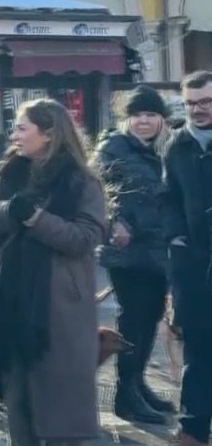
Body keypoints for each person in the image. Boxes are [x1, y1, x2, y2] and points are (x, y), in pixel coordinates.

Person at [0, 99, 107, 446]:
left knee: (64, 419)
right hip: (12, 305)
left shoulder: (81, 181)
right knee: (20, 413)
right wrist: (8, 210)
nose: (14, 134)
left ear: (48, 135)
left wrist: (36, 218)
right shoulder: (7, 173)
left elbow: (85, 237)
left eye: (22, 127)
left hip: (60, 310)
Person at [95, 86, 175, 425]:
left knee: (151, 319)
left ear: (161, 120)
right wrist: (115, 222)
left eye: (150, 115)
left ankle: (138, 384)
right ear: (128, 119)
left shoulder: (166, 149)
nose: (144, 121)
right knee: (134, 321)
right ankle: (125, 394)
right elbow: (95, 192)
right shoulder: (113, 148)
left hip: (160, 249)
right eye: (137, 115)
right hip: (128, 250)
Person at [162, 70, 212, 446]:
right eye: (191, 103)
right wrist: (177, 237)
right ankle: (193, 430)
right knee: (198, 347)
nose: (198, 110)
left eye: (206, 102)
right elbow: (169, 199)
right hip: (195, 264)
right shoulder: (176, 145)